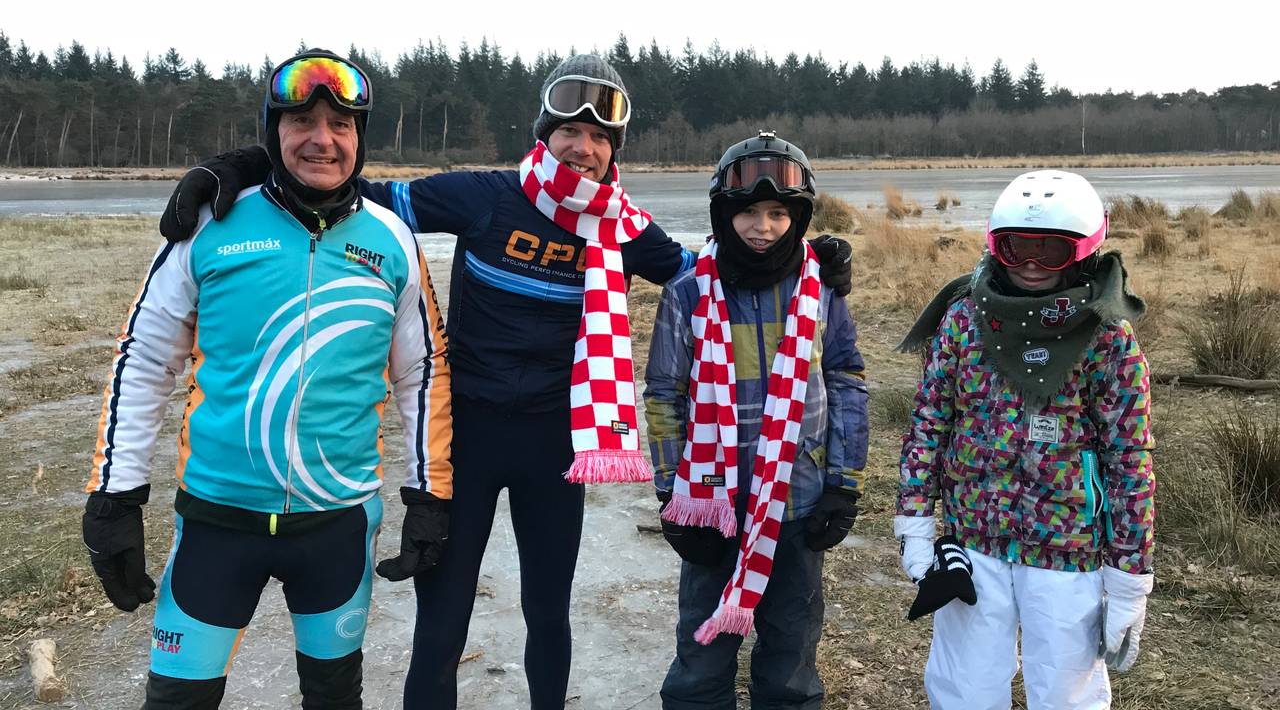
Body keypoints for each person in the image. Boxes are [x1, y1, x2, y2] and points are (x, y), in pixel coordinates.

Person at [155, 53, 854, 709]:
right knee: (445, 616)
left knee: (547, 612)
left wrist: (804, 255)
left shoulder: (629, 231)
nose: (581, 148)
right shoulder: (485, 198)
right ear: (543, 136)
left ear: (615, 152)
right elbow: (345, 188)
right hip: (469, 438)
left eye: (598, 137)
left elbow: (720, 268)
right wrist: (243, 166)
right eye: (568, 132)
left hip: (558, 445)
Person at [82, 49, 452, 709]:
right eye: (301, 120)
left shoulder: (393, 240)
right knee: (176, 701)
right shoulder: (210, 224)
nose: (322, 138)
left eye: (341, 124)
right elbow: (143, 360)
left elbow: (424, 374)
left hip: (337, 524)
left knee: (334, 699)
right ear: (272, 132)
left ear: (360, 139)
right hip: (218, 522)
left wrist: (430, 497)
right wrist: (116, 496)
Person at [893, 170, 1155, 709]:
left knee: (1066, 692)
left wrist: (1130, 577)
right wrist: (916, 526)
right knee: (963, 687)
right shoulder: (965, 318)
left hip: (1068, 551)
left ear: (1083, 251)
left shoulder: (1107, 335)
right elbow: (929, 423)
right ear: (996, 243)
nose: (1031, 262)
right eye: (1016, 247)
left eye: (1050, 250)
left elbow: (1129, 458)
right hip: (973, 542)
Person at [644, 132, 869, 709]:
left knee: (791, 651)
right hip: (712, 506)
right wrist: (673, 494)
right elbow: (666, 394)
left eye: (777, 213)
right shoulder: (688, 293)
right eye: (747, 211)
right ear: (724, 214)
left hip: (798, 500)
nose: (762, 226)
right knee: (702, 652)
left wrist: (844, 483)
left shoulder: (821, 291)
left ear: (798, 218)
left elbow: (846, 381)